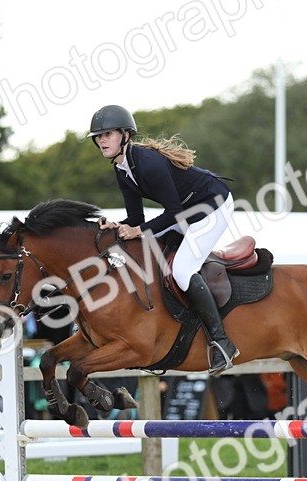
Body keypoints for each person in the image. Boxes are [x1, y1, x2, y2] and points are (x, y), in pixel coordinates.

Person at [88, 104, 240, 374]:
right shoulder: (122, 168)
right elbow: (135, 216)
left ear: (126, 135)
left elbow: (174, 213)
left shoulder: (149, 162)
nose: (102, 140)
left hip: (211, 206)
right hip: (187, 211)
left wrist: (137, 230)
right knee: (155, 256)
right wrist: (118, 225)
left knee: (182, 270)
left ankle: (222, 342)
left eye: (108, 134)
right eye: (98, 136)